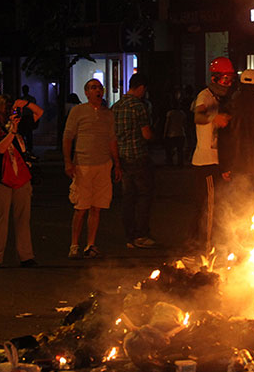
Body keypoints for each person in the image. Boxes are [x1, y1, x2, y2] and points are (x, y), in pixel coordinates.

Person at [63, 79, 121, 259]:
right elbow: (68, 137)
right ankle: (74, 244)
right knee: (81, 206)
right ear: (86, 92)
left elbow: (112, 140)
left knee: (97, 206)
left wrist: (117, 163)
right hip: (83, 164)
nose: (97, 90)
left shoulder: (108, 114)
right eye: (93, 88)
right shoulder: (78, 111)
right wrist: (68, 162)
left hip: (103, 165)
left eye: (99, 88)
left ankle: (91, 244)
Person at [0, 94, 41, 268]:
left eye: (12, 108)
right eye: (6, 108)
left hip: (22, 178)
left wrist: (26, 104)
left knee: (23, 219)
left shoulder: (19, 125)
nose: (10, 111)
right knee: (0, 220)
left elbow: (39, 113)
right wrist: (12, 132)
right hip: (0, 179)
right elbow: (0, 148)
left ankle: (26, 256)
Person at [218, 69, 254, 223]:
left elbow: (224, 138)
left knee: (239, 207)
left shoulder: (229, 107)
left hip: (238, 166)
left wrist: (224, 165)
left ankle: (241, 241)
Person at [188, 57, 234, 250]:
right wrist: (215, 118)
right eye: (225, 80)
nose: (228, 84)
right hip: (206, 162)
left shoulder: (216, 98)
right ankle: (205, 248)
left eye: (230, 80)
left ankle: (195, 246)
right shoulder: (205, 96)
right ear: (214, 78)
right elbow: (198, 116)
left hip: (213, 162)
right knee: (208, 208)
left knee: (207, 207)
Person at [112, 73, 158, 249]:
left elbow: (112, 137)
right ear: (141, 88)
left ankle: (129, 235)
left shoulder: (115, 106)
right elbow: (146, 134)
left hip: (122, 158)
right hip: (139, 156)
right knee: (144, 197)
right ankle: (141, 234)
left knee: (128, 198)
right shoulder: (138, 106)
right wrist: (154, 136)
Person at [163, 92, 187, 166]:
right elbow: (184, 124)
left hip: (171, 134)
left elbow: (167, 124)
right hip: (181, 133)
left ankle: (170, 163)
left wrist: (164, 133)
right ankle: (180, 163)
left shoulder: (170, 113)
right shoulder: (182, 113)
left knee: (169, 150)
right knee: (180, 150)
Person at [16, 85, 38, 152]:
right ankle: (26, 148)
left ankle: (27, 148)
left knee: (27, 134)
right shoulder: (29, 99)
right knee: (26, 134)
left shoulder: (24, 99)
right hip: (25, 118)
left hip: (27, 118)